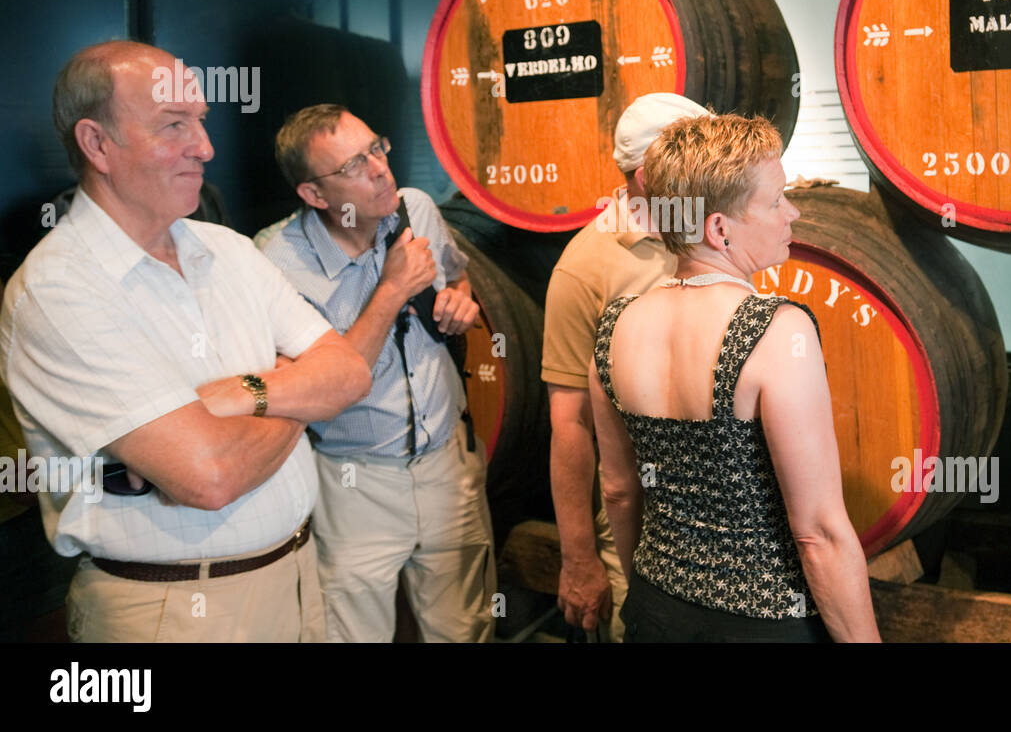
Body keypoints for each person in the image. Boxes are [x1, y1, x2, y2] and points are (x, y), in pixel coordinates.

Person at [0, 40, 372, 643]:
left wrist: (242, 395)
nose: (205, 147)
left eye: (199, 121)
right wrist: (297, 388)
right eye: (174, 125)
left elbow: (350, 371)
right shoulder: (56, 289)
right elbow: (211, 477)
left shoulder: (224, 248)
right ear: (97, 144)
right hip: (171, 611)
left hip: (301, 576)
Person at [588, 112, 882, 642]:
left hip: (656, 609)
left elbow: (618, 490)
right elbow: (818, 534)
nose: (792, 213)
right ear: (718, 229)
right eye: (775, 201)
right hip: (764, 626)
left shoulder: (614, 326)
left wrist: (649, 594)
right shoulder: (775, 331)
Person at [260, 104, 494, 642]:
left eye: (376, 149)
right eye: (352, 166)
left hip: (447, 467)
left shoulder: (417, 210)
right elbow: (318, 389)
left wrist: (460, 303)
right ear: (315, 195)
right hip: (352, 481)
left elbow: (457, 279)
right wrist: (391, 290)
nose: (379, 169)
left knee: (466, 629)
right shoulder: (275, 264)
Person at [543, 92, 709, 641]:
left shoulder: (709, 225)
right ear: (646, 176)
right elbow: (570, 424)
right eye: (691, 157)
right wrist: (579, 560)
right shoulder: (584, 268)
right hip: (640, 521)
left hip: (722, 510)